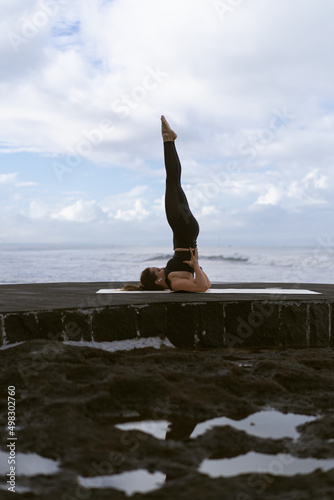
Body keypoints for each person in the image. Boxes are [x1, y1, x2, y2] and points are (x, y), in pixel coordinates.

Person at [122, 116, 211, 292]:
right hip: (183, 230)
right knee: (171, 183)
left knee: (175, 183)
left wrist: (197, 267)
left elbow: (207, 284)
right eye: (157, 270)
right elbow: (203, 287)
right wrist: (195, 267)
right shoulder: (175, 282)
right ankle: (168, 139)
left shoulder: (172, 275)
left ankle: (169, 139)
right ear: (158, 280)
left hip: (186, 231)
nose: (161, 268)